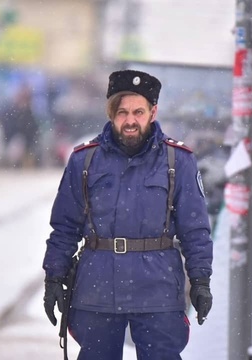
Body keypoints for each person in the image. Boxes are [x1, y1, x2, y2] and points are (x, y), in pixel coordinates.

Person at [42, 69, 213, 360]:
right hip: (97, 290)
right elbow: (65, 228)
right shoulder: (85, 160)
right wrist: (53, 278)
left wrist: (200, 281)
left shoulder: (178, 161)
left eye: (138, 111)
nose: (130, 120)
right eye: (122, 112)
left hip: (158, 289)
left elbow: (194, 230)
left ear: (153, 112)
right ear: (111, 114)